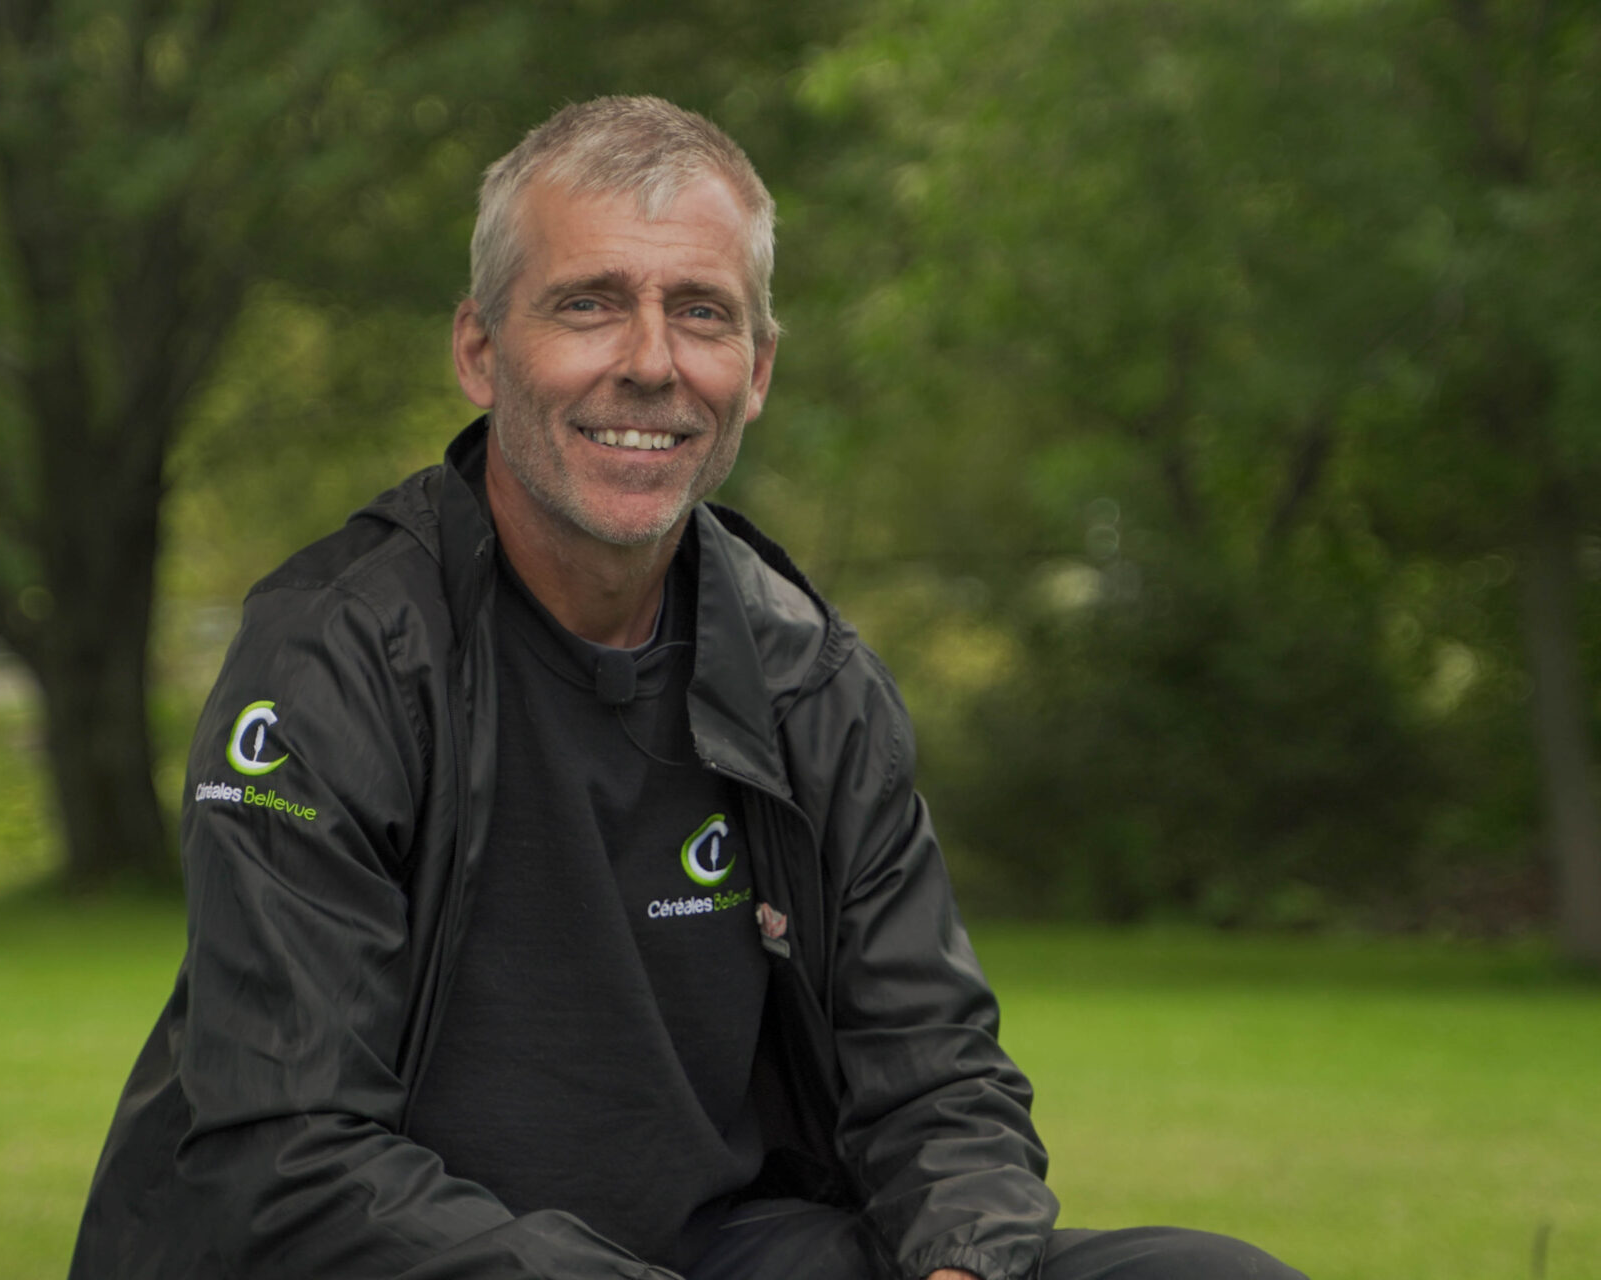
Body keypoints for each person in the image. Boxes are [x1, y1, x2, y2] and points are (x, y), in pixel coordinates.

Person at [69, 96, 1306, 1280]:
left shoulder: (809, 679)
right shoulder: (334, 664)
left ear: (758, 369)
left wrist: (960, 1259)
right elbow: (287, 1161)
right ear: (481, 349)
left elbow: (932, 1073)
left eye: (702, 312)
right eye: (591, 304)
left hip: (722, 1247)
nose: (652, 362)